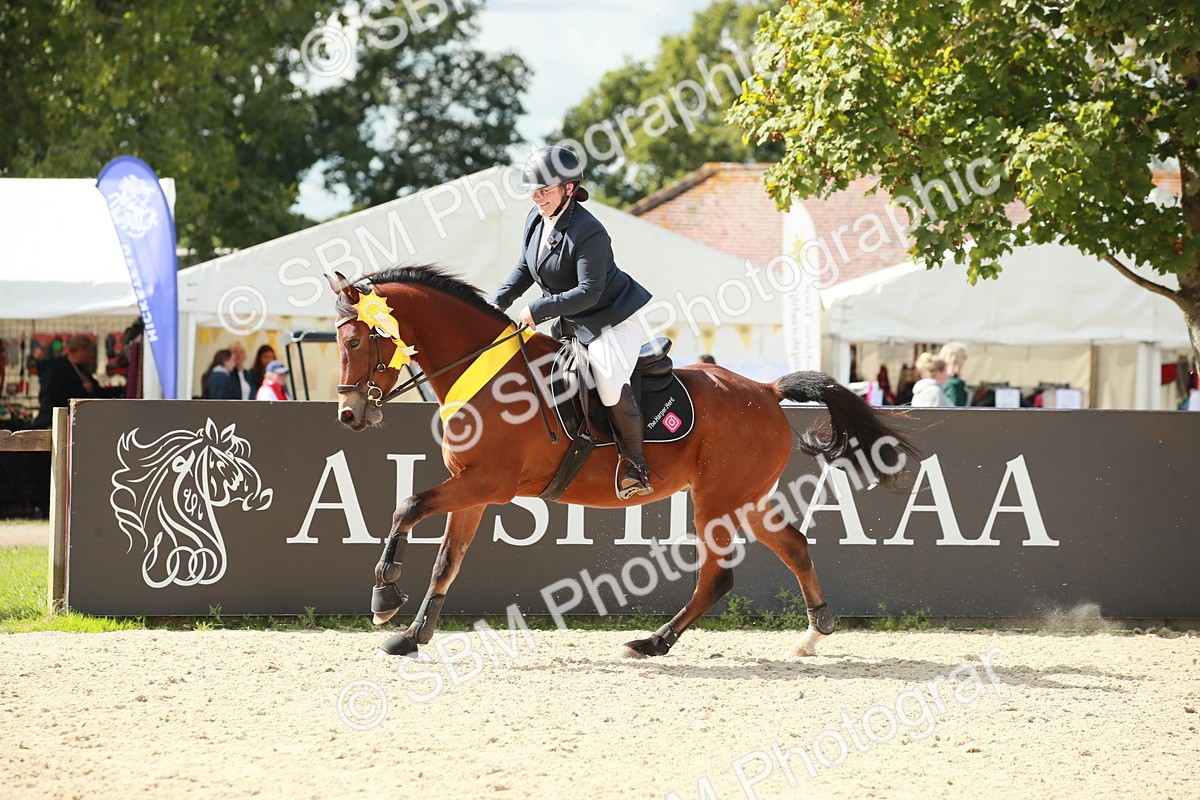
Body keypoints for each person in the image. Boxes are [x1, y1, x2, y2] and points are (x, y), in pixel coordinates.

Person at [492, 145, 654, 500]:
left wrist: (539, 309)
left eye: (544, 190)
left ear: (568, 188)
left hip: (612, 318)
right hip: (573, 322)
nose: (536, 197)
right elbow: (525, 269)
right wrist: (495, 303)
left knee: (610, 383)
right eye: (533, 190)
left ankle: (636, 465)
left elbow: (590, 292)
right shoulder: (535, 220)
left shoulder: (589, 231)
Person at [32, 336, 107, 427]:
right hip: (59, 421)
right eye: (89, 351)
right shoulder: (60, 368)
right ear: (80, 350)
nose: (90, 355)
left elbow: (98, 390)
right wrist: (82, 389)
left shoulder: (81, 369)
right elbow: (56, 395)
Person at [938, 341, 969, 406]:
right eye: (964, 357)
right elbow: (956, 410)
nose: (965, 360)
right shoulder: (954, 383)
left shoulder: (939, 377)